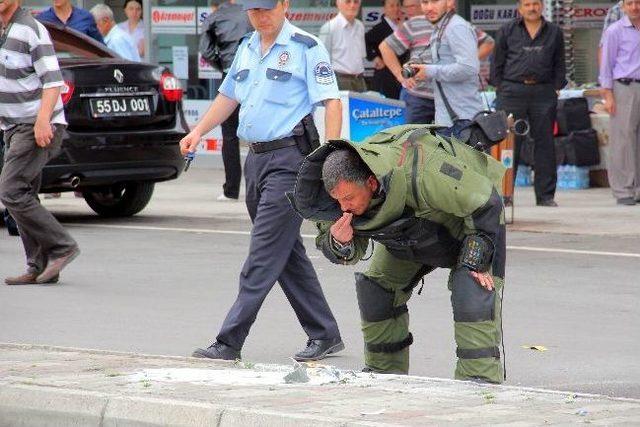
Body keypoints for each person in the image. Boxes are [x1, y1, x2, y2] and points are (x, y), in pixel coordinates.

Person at [180, 0, 344, 362]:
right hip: (256, 159)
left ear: (285, 4)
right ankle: (325, 333)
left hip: (291, 160)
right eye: (254, 11)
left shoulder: (305, 46)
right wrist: (199, 130)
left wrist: (331, 158)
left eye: (268, 8)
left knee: (263, 254)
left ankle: (229, 341)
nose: (261, 16)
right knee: (285, 252)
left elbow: (331, 102)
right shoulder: (247, 46)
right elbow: (228, 95)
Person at [289, 125, 506, 383]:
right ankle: (384, 376)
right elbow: (342, 251)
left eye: (348, 198)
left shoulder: (423, 169)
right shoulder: (339, 200)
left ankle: (479, 383)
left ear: (371, 182)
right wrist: (340, 242)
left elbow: (486, 203)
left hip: (469, 227)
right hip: (413, 234)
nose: (343, 207)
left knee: (472, 287)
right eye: (337, 200)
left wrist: (476, 257)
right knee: (376, 289)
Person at [0, 0, 80, 285]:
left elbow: (52, 81)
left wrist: (42, 120)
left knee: (10, 190)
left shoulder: (31, 29)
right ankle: (38, 264)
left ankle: (62, 246)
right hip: (12, 125)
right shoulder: (4, 29)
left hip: (35, 125)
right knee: (24, 193)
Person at [490, 0, 566, 207]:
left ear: (541, 6)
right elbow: (496, 62)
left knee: (545, 144)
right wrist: (500, 88)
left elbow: (560, 62)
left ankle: (545, 196)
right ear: (520, 9)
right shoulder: (507, 30)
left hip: (543, 91)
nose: (532, 8)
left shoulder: (554, 32)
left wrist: (557, 87)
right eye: (527, 4)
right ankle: (504, 194)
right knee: (508, 144)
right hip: (512, 91)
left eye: (535, 4)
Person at [200, 0, 253, 201]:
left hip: (230, 74)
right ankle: (256, 187)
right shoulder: (253, 10)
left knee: (230, 136)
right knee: (258, 134)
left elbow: (205, 50)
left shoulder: (216, 15)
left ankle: (231, 190)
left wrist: (222, 64)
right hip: (255, 75)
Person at [408, 0, 483, 138]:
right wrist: (420, 69)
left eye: (435, 1)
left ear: (450, 2)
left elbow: (469, 68)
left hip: (463, 121)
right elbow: (446, 65)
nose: (429, 7)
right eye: (425, 2)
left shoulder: (456, 27)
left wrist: (430, 71)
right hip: (450, 121)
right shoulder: (442, 27)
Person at [599, 0, 640, 206]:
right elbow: (606, 63)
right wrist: (608, 95)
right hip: (624, 87)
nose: (634, 7)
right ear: (623, 6)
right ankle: (623, 189)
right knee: (623, 140)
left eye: (638, 3)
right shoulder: (615, 31)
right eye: (630, 3)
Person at [379, 0, 434, 124]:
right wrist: (400, 75)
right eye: (406, 7)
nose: (408, 11)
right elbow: (385, 47)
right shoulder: (414, 24)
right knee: (411, 141)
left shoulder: (455, 24)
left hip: (448, 95)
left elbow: (486, 43)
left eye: (412, 6)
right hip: (418, 96)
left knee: (447, 141)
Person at [319, 0, 367, 92]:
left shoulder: (360, 26)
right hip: (339, 81)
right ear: (338, 3)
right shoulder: (329, 27)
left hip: (360, 80)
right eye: (348, 2)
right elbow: (322, 61)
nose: (352, 5)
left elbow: (361, 55)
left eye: (356, 2)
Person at [365, 0, 402, 99]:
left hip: (402, 77)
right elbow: (364, 42)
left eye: (398, 5)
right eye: (392, 6)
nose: (396, 9)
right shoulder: (379, 29)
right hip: (386, 78)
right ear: (385, 9)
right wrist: (374, 57)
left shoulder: (403, 26)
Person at [37, 0, 104, 44]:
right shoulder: (41, 19)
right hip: (52, 64)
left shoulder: (85, 17)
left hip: (80, 63)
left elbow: (100, 47)